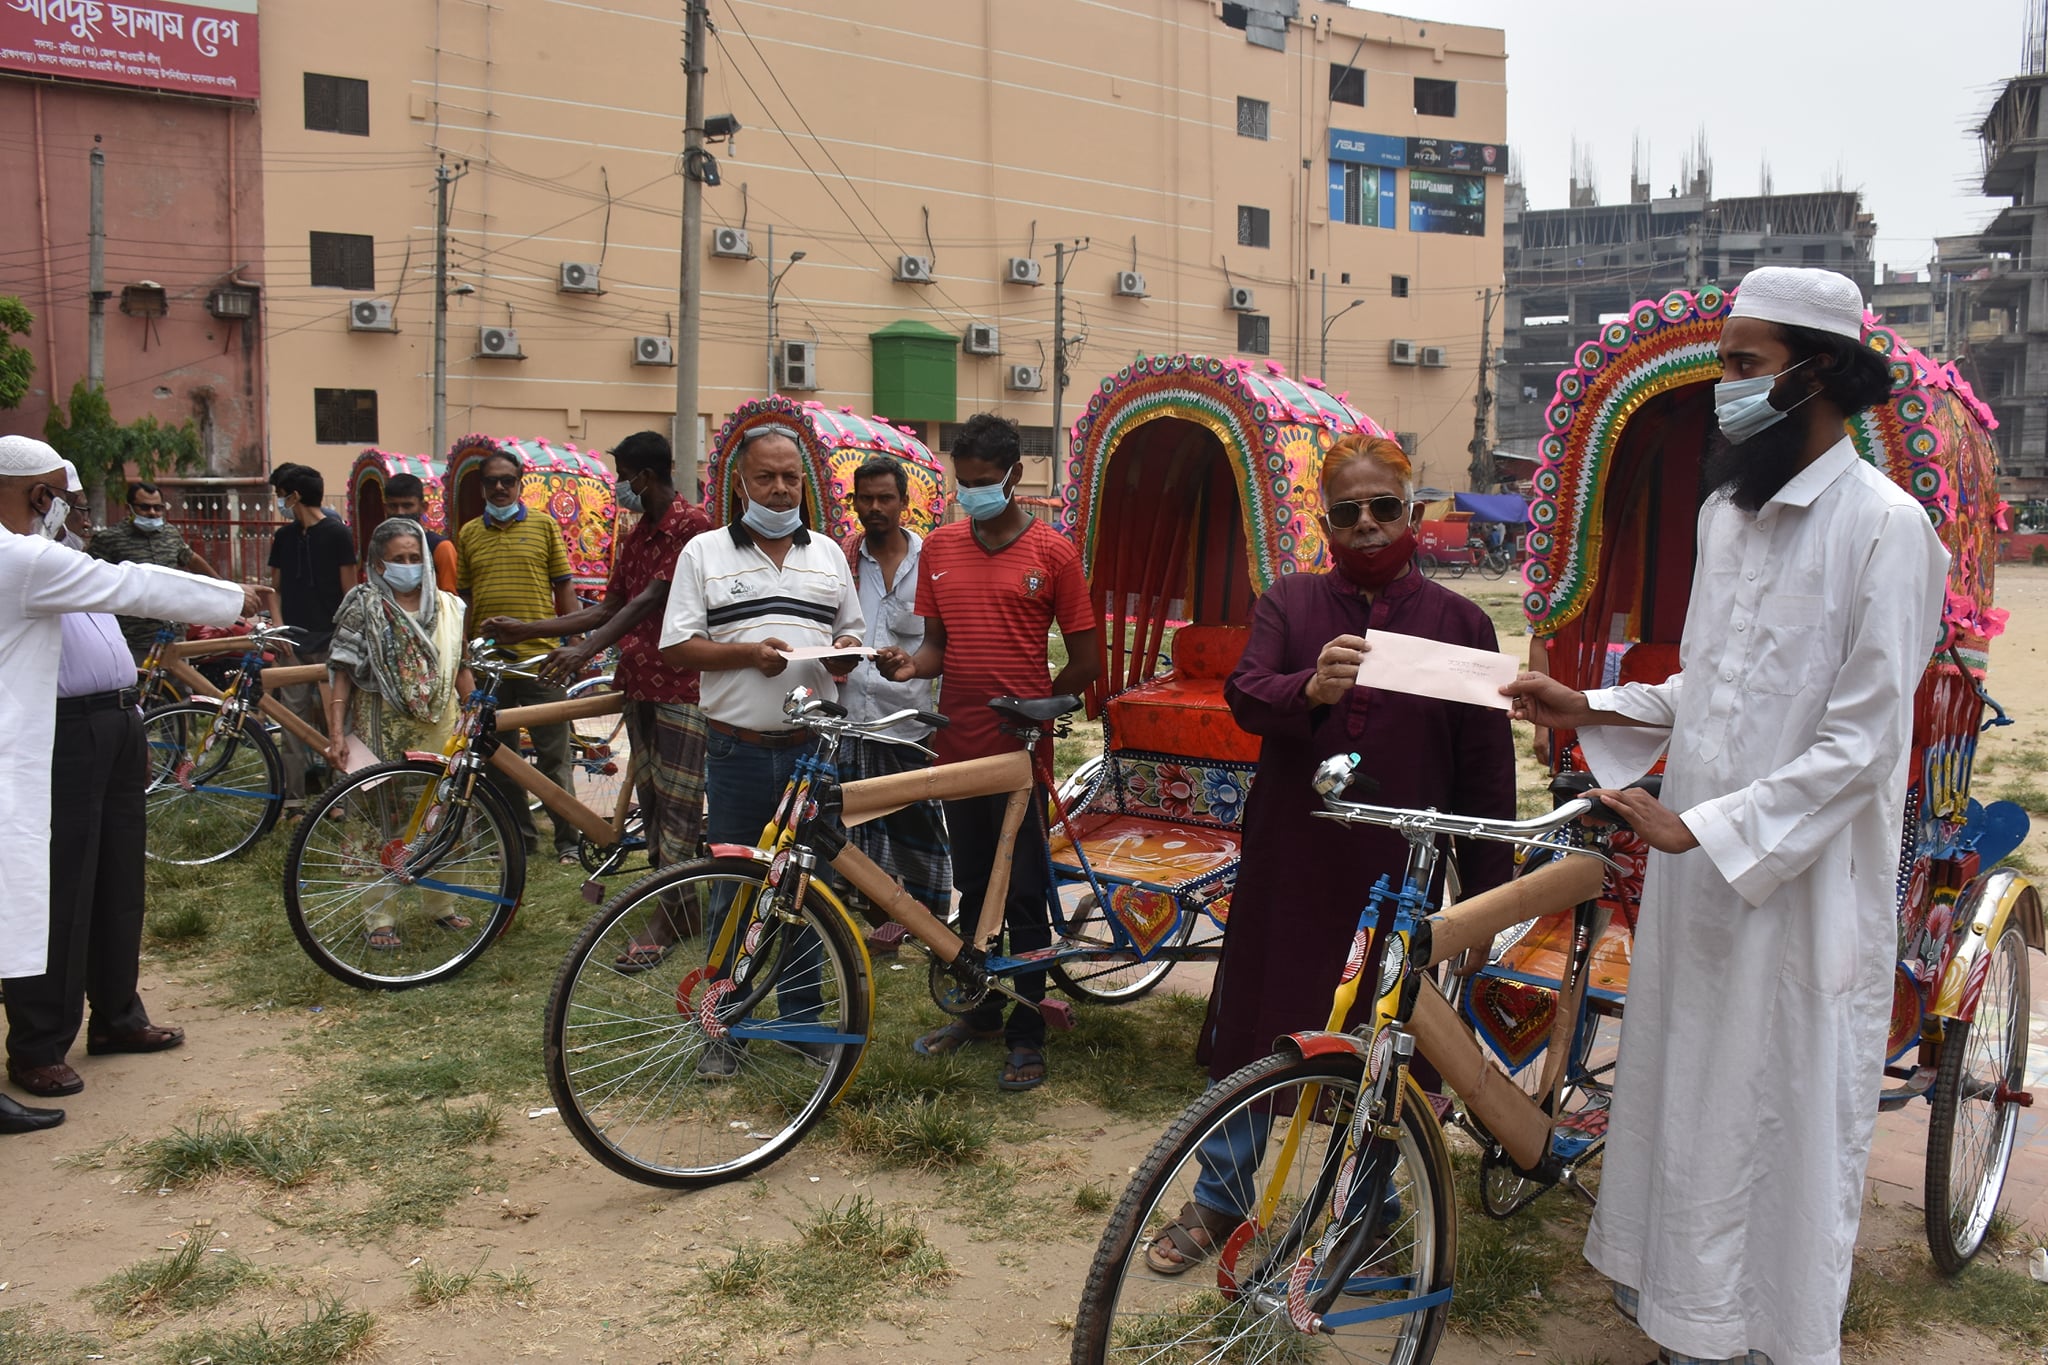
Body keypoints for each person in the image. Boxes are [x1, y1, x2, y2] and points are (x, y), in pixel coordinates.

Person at [1501, 267, 1950, 1365]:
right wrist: (1592, 702)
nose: (1725, 388)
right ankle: (1679, 1314)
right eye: (1724, 364)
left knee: (1774, 1106)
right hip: (1698, 867)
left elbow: (1860, 746)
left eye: (1746, 366)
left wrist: (1702, 825)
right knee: (1687, 1088)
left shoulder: (1885, 530)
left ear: (1823, 374)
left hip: (1796, 887)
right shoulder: (1724, 515)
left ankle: (1765, 1333)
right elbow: (1707, 685)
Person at [1139, 432, 1517, 1272]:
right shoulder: (1292, 603)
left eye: (1385, 506)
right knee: (1254, 1027)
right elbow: (1245, 694)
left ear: (1412, 511)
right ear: (1328, 524)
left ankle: (1370, 1210)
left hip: (1397, 876)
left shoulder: (1460, 624)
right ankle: (1221, 1199)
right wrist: (1308, 687)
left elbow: (1487, 778)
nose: (1370, 524)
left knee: (1380, 1041)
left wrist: (1486, 902)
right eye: (1349, 513)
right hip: (1294, 863)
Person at [0, 436, 261, 1131]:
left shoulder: (56, 556)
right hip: (61, 733)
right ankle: (38, 1044)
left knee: (118, 880)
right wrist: (237, 597)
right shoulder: (21, 558)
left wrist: (131, 720)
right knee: (59, 887)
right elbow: (134, 586)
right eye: (65, 497)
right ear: (37, 495)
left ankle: (116, 1015)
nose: (75, 512)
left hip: (113, 723)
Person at [875, 412, 1099, 1092]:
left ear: (1015, 476)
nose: (970, 492)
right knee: (973, 885)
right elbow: (936, 646)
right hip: (958, 746)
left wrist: (1045, 705)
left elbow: (1088, 658)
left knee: (1024, 892)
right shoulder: (939, 549)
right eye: (961, 481)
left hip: (1020, 755)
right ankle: (980, 1013)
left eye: (982, 482)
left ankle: (1028, 1037)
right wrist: (910, 668)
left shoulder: (1053, 554)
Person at [657, 422, 865, 1077]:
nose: (779, 489)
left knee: (808, 890)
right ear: (740, 483)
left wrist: (849, 659)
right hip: (739, 752)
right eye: (766, 477)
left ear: (804, 484)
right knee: (735, 889)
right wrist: (747, 653)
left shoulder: (828, 554)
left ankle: (804, 1027)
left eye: (790, 478)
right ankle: (728, 1031)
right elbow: (677, 645)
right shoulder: (704, 553)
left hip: (812, 753)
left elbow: (849, 636)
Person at [485, 431, 712, 964]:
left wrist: (584, 650)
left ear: (644, 477)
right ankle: (679, 906)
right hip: (640, 685)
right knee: (654, 801)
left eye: (622, 476)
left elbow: (651, 599)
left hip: (683, 686)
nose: (618, 487)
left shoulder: (691, 527)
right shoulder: (636, 537)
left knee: (680, 805)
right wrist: (529, 629)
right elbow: (608, 607)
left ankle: (671, 913)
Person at [322, 517, 475, 950]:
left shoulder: (449, 606)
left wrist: (474, 710)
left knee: (444, 813)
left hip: (442, 727)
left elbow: (461, 666)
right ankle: (380, 918)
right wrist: (336, 731)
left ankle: (442, 906)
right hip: (380, 731)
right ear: (378, 563)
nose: (408, 566)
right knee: (379, 821)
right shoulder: (363, 605)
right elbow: (342, 673)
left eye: (414, 558)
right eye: (398, 559)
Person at [835, 455, 951, 924]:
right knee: (851, 829)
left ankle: (926, 918)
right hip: (847, 722)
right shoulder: (842, 558)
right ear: (856, 502)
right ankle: (871, 916)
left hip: (905, 723)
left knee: (914, 831)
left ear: (905, 502)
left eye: (886, 498)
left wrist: (910, 666)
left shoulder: (933, 563)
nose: (875, 507)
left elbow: (942, 641)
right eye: (866, 498)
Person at [457, 448, 582, 863]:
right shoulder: (469, 533)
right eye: (491, 481)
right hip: (490, 667)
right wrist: (463, 652)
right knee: (499, 759)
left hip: (541, 662)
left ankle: (569, 841)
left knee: (554, 756)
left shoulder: (545, 526)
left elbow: (564, 588)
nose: (499, 487)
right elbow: (466, 598)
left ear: (519, 482)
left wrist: (576, 645)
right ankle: (518, 839)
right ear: (481, 487)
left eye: (507, 480)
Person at [268, 463, 358, 812]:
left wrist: (344, 641)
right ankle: (294, 799)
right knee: (292, 724)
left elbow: (349, 592)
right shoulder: (284, 538)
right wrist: (279, 630)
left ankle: (338, 799)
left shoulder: (338, 534)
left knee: (338, 722)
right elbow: (273, 589)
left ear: (295, 496)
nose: (278, 501)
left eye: (280, 495)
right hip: (292, 643)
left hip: (330, 644)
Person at [86, 480, 222, 660]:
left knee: (178, 688)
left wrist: (222, 586)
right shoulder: (109, 539)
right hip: (133, 639)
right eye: (145, 507)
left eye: (158, 508)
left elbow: (191, 559)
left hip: (173, 636)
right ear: (129, 509)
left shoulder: (170, 534)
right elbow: (92, 581)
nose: (152, 513)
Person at [382, 473, 458, 592]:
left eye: (407, 506)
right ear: (385, 508)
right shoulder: (380, 545)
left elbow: (450, 600)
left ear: (423, 507)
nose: (400, 512)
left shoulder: (441, 548)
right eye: (393, 506)